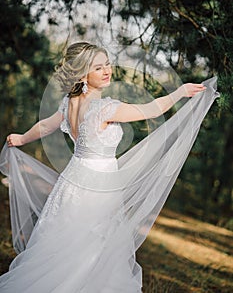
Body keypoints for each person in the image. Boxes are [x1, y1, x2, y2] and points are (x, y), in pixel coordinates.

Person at [0, 42, 219, 292]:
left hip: (72, 179)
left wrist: (21, 138)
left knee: (66, 238)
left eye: (108, 64)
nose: (107, 71)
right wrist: (179, 92)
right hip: (98, 185)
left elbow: (45, 126)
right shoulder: (104, 108)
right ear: (82, 74)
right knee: (93, 242)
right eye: (98, 67)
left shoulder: (68, 103)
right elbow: (151, 109)